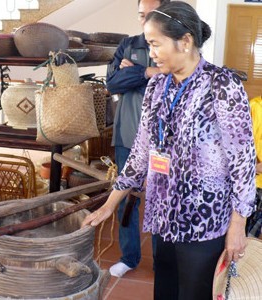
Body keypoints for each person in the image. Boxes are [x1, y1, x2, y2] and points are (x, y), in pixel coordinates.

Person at [83, 2, 256, 299]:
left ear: (185, 41)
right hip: (164, 214)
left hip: (205, 220)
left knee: (195, 292)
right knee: (164, 290)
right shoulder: (157, 86)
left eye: (155, 43)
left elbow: (243, 160)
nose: (150, 53)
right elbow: (141, 152)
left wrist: (238, 224)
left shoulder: (221, 84)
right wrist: (111, 203)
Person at [106, 0, 166, 277]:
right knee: (128, 198)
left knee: (159, 200)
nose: (145, 22)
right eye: (142, 16)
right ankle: (129, 258)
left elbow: (174, 79)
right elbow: (112, 84)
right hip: (128, 135)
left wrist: (131, 73)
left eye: (151, 16)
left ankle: (161, 261)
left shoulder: (172, 46)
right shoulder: (128, 45)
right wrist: (144, 71)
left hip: (164, 142)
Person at [246, 95, 262, 237]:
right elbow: (244, 142)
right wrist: (255, 166)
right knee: (249, 230)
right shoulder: (254, 106)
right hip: (255, 182)